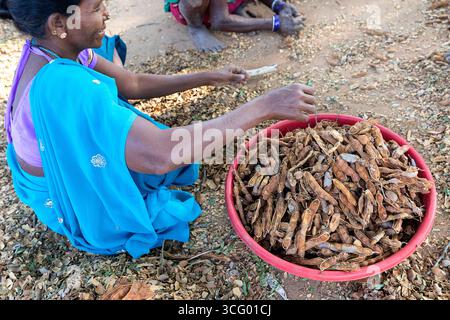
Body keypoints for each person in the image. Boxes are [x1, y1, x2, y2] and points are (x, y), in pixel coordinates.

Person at [2, 0, 316, 259]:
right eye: (97, 7)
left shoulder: (56, 47)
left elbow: (132, 83)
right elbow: (161, 155)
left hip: (57, 147)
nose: (108, 12)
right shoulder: (66, 87)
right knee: (163, 204)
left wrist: (209, 76)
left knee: (108, 58)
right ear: (59, 23)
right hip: (60, 193)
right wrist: (263, 106)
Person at [165, 0, 305, 52]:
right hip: (192, 8)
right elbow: (220, 21)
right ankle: (196, 27)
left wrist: (278, 5)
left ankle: (232, 6)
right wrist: (276, 23)